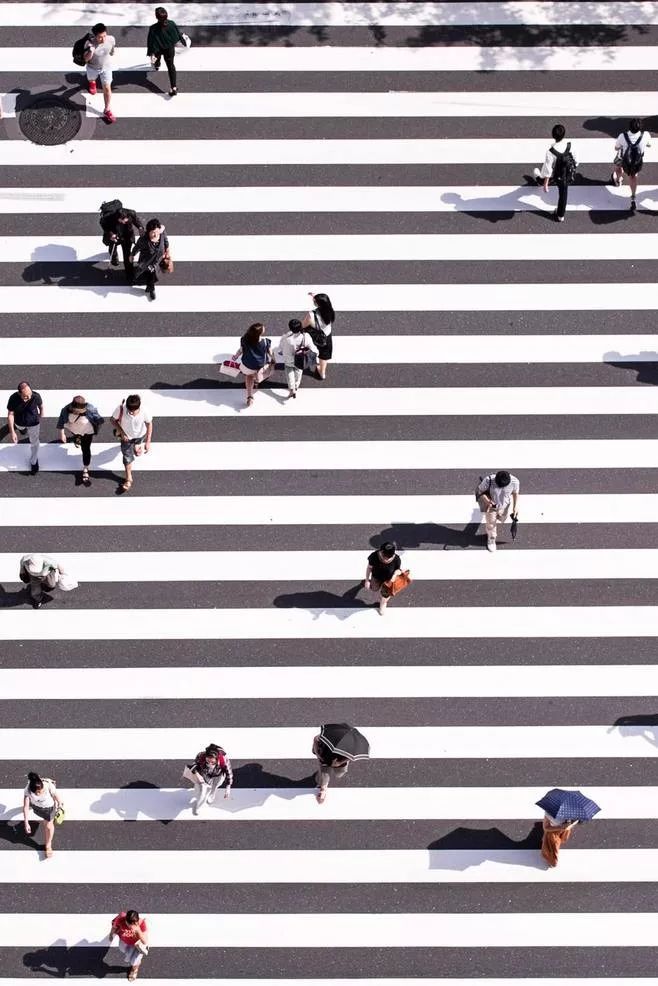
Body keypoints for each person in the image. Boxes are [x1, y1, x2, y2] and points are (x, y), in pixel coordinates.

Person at [533, 123, 577, 222]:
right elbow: (575, 160)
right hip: (567, 174)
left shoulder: (551, 152)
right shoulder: (570, 146)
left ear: (553, 135)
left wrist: (545, 183)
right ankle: (560, 215)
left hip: (557, 175)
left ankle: (539, 180)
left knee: (546, 178)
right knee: (563, 194)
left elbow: (548, 169)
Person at [56, 395, 104, 487]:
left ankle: (86, 468)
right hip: (75, 430)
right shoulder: (66, 409)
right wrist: (62, 433)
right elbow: (61, 421)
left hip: (87, 432)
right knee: (76, 435)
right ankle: (77, 438)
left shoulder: (90, 409)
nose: (77, 412)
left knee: (85, 449)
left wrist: (98, 423)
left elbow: (99, 420)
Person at [111, 394, 153, 493]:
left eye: (133, 411)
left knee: (137, 449)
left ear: (139, 407)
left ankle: (137, 446)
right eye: (129, 411)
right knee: (127, 457)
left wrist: (148, 441)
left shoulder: (144, 411)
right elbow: (112, 420)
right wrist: (122, 433)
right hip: (126, 438)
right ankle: (129, 478)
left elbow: (149, 423)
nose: (131, 413)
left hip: (140, 435)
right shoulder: (121, 409)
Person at [611, 118, 652, 213]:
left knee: (618, 167)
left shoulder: (623, 136)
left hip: (623, 158)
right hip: (636, 161)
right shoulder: (645, 135)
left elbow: (616, 148)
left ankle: (618, 180)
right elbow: (649, 145)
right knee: (633, 177)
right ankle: (633, 197)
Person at [476, 470, 520, 552]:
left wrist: (515, 506)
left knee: (502, 519)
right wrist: (488, 501)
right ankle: (491, 538)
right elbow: (479, 491)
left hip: (505, 506)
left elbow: (515, 493)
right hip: (491, 506)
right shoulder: (488, 480)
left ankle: (494, 523)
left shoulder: (515, 482)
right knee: (491, 523)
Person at [23, 771, 63, 858]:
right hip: (36, 807)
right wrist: (26, 823)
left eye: (41, 791)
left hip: (49, 809)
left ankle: (48, 845)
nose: (39, 793)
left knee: (48, 826)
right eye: (37, 793)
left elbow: (59, 799)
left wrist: (60, 806)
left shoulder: (48, 786)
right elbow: (26, 807)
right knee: (45, 823)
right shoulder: (27, 790)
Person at [147, 6, 186, 97]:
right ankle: (174, 87)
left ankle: (157, 65)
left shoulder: (153, 28)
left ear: (156, 17)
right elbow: (177, 34)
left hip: (158, 49)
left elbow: (150, 42)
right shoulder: (171, 24)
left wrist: (150, 52)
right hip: (169, 49)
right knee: (171, 66)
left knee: (156, 59)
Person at [130, 218, 172, 301]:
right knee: (147, 272)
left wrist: (167, 250)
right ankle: (149, 288)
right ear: (148, 232)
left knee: (152, 274)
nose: (155, 235)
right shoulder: (143, 240)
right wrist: (132, 255)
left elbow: (166, 241)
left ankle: (150, 288)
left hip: (157, 260)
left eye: (157, 232)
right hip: (146, 261)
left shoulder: (162, 233)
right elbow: (137, 247)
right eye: (153, 233)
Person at [234, 322, 274, 406]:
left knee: (249, 376)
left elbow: (241, 350)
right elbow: (270, 352)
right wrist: (274, 359)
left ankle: (249, 397)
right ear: (260, 333)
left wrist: (236, 356)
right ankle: (257, 381)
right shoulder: (265, 342)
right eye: (263, 328)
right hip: (260, 365)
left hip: (248, 364)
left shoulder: (244, 339)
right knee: (260, 373)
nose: (264, 328)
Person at [7, 380, 43, 475]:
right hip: (19, 422)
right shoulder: (13, 398)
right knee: (22, 430)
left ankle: (34, 461)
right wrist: (12, 432)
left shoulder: (36, 396)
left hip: (34, 423)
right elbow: (11, 414)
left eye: (30, 394)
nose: (29, 397)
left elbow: (41, 406)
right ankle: (21, 430)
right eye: (25, 396)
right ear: (19, 394)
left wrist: (41, 416)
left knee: (35, 442)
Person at [83, 22, 117, 124]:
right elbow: (85, 59)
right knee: (91, 79)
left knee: (107, 87)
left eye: (104, 36)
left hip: (106, 67)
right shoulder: (89, 44)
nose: (103, 39)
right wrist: (90, 51)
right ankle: (92, 83)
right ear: (95, 36)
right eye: (100, 37)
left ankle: (107, 110)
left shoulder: (111, 39)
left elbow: (112, 50)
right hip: (92, 68)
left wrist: (112, 52)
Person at [186, 743, 233, 815]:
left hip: (218, 774)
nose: (210, 763)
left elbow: (229, 773)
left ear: (217, 759)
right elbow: (193, 766)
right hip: (205, 773)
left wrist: (228, 787)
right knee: (203, 787)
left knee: (215, 784)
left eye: (213, 762)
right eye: (208, 761)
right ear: (205, 756)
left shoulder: (224, 759)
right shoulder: (200, 755)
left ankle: (213, 792)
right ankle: (200, 800)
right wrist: (198, 775)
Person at [278, 318, 318, 399]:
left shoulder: (286, 337)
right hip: (300, 360)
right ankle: (296, 386)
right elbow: (314, 349)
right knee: (298, 372)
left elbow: (281, 348)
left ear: (290, 328)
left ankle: (292, 389)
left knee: (289, 373)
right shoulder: (305, 337)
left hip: (289, 359)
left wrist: (281, 352)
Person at [100, 206, 144, 278]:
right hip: (115, 235)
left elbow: (136, 220)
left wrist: (140, 227)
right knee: (112, 248)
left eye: (125, 220)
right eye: (122, 220)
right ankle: (114, 257)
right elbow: (104, 225)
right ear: (117, 218)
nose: (124, 221)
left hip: (127, 236)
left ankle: (129, 272)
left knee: (127, 254)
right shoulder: (110, 218)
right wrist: (111, 234)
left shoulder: (131, 213)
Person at [301, 291, 335, 381]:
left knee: (308, 348)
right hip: (326, 335)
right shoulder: (330, 311)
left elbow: (303, 325)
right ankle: (322, 373)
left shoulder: (311, 315)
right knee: (324, 354)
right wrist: (315, 296)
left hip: (314, 336)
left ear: (318, 304)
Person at [109, 910, 149, 982]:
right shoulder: (121, 919)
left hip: (137, 946)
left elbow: (145, 941)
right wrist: (111, 934)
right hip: (125, 942)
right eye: (128, 924)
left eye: (133, 924)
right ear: (125, 920)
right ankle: (136, 963)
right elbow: (114, 927)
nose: (130, 927)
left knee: (134, 961)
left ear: (136, 922)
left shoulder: (141, 923)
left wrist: (138, 930)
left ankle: (134, 970)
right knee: (124, 951)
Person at [364, 541, 402, 616]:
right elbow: (369, 568)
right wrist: (367, 580)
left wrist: (394, 575)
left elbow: (398, 570)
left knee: (385, 594)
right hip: (376, 577)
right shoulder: (374, 556)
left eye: (389, 557)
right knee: (374, 589)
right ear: (380, 552)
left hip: (389, 580)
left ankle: (383, 604)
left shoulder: (397, 559)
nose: (386, 559)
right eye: (384, 556)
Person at [312, 733, 349, 804]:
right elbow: (316, 739)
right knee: (324, 775)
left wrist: (340, 762)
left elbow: (350, 757)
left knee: (339, 774)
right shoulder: (325, 737)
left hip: (339, 761)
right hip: (324, 760)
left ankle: (323, 786)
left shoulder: (347, 744)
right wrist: (318, 754)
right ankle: (323, 789)